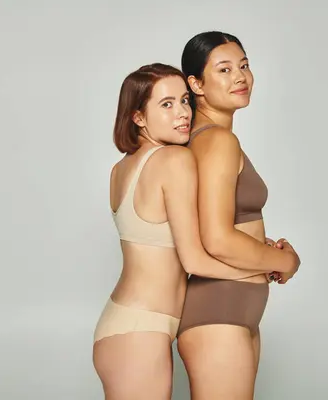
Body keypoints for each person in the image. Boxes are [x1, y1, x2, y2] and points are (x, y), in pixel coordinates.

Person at [92, 63, 276, 400]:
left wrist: (256, 249)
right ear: (138, 118)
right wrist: (266, 265)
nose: (182, 114)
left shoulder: (121, 168)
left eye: (185, 101)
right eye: (167, 104)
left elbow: (192, 233)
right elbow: (194, 260)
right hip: (141, 330)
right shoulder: (173, 160)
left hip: (125, 324)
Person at [175, 31, 301, 400]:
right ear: (195, 84)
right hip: (219, 310)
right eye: (225, 69)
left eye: (244, 66)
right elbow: (215, 238)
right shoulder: (216, 141)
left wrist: (259, 251)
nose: (241, 77)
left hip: (234, 309)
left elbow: (215, 224)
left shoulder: (208, 139)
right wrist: (285, 261)